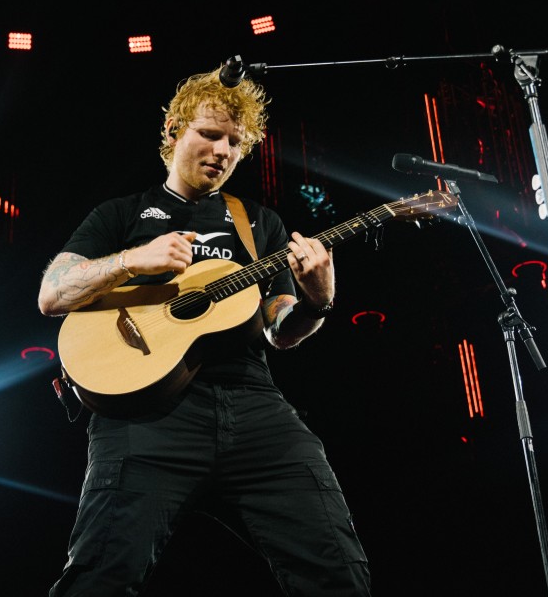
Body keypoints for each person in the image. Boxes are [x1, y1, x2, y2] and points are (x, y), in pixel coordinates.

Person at [37, 65, 372, 596]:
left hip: (252, 404)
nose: (222, 150)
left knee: (337, 571)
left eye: (235, 143)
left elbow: (281, 330)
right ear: (173, 131)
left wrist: (318, 300)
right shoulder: (120, 213)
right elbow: (52, 293)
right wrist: (130, 260)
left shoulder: (258, 223)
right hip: (145, 414)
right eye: (209, 134)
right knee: (100, 577)